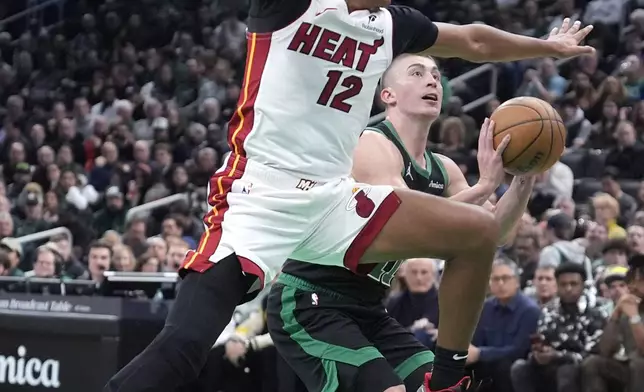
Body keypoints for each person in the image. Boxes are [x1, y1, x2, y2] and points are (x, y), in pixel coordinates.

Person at [104, 0, 594, 390]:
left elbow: (472, 40)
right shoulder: (292, 8)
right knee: (185, 348)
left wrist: (546, 47)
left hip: (333, 200)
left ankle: (445, 377)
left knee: (478, 231)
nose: (430, 81)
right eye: (417, 76)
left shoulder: (393, 25)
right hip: (260, 197)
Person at [267, 52, 540, 392]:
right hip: (310, 300)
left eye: (437, 76)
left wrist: (525, 176)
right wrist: (483, 187)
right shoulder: (371, 143)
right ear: (388, 95)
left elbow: (497, 232)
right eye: (417, 73)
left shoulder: (444, 168)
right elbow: (398, 215)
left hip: (368, 308)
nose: (432, 81)